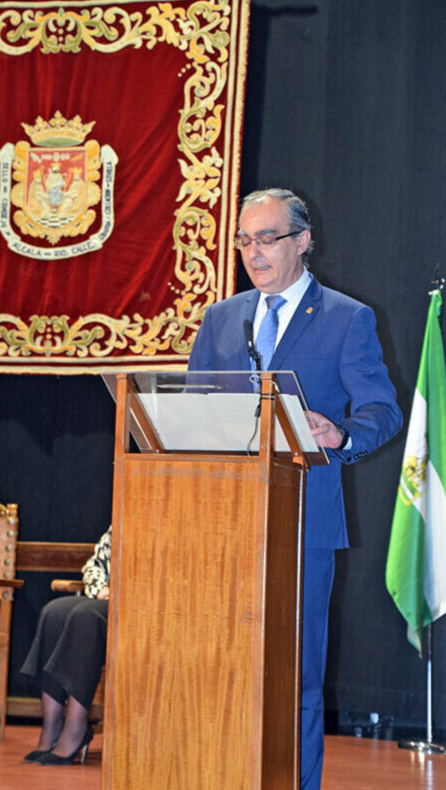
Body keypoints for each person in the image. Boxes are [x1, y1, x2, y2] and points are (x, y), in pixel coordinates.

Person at [188, 188, 402, 790]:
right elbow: (195, 409)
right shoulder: (221, 319)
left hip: (304, 521)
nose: (253, 254)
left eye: (267, 239)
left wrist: (342, 435)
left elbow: (383, 411)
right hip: (225, 522)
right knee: (223, 666)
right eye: (244, 241)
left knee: (296, 673)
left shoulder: (347, 318)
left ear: (303, 242)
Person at [20, 526, 111, 766]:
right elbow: (94, 565)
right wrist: (101, 589)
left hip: (141, 604)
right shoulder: (125, 519)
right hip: (109, 598)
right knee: (55, 612)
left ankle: (76, 728)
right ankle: (51, 726)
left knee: (84, 616)